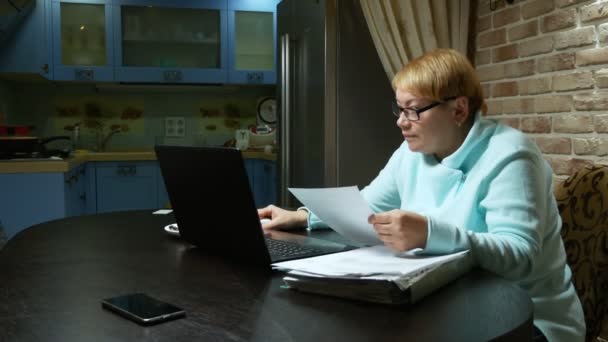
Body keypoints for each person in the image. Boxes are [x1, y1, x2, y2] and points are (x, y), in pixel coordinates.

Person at [258, 48, 585, 342]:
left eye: (413, 110)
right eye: (399, 109)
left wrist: (430, 233)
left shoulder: (510, 154)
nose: (402, 122)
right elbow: (367, 205)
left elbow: (519, 257)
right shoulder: (411, 153)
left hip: (528, 322)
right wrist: (304, 216)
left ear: (458, 110)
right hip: (452, 304)